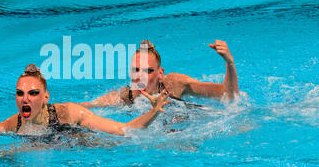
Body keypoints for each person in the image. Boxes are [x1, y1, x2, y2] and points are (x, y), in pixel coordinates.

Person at [0, 64, 172, 145]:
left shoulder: (70, 112)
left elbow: (124, 130)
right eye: (19, 93)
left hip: (94, 147)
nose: (25, 98)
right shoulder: (14, 123)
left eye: (33, 93)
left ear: (46, 97)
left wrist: (154, 110)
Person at [79, 39, 239, 109]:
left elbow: (229, 95)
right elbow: (88, 105)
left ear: (160, 73)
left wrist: (229, 62)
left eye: (147, 71)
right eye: (135, 70)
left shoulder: (174, 83)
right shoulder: (126, 96)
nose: (139, 77)